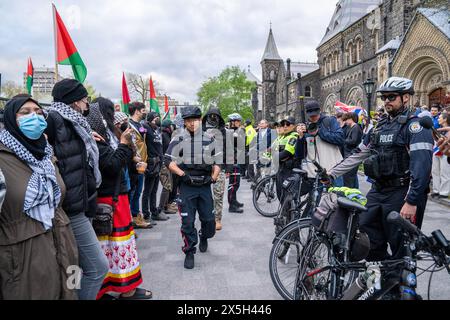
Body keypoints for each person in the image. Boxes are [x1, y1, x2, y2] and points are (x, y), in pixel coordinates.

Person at [328, 77, 433, 263]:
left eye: (391, 97)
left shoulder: (416, 126)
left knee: (402, 246)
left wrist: (411, 201)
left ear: (406, 97)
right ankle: (384, 281)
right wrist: (332, 173)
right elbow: (359, 153)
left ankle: (402, 289)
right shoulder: (380, 126)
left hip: (401, 193)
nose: (386, 101)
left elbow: (422, 168)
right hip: (378, 190)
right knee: (368, 235)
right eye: (384, 97)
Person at [0, 95, 78, 299]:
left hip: (64, 247)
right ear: (10, 119)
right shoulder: (2, 159)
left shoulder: (46, 154)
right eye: (25, 113)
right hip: (24, 261)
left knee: (72, 289)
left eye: (38, 112)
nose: (34, 117)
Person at [46, 79, 109, 300]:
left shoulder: (76, 124)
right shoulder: (53, 120)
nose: (87, 104)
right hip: (69, 209)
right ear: (74, 102)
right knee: (98, 267)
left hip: (82, 204)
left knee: (76, 266)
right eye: (85, 99)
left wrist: (85, 138)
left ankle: (75, 295)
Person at [86, 100, 152, 300]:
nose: (114, 117)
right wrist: (123, 144)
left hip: (116, 194)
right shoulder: (95, 138)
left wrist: (131, 156)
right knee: (113, 246)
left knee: (116, 246)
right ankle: (118, 289)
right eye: (110, 112)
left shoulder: (106, 136)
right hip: (109, 197)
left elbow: (119, 160)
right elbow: (112, 165)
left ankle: (123, 287)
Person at [164, 106, 221, 269]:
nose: (192, 123)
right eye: (188, 121)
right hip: (187, 186)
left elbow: (218, 162)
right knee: (187, 222)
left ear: (200, 120)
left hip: (204, 186)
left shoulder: (209, 139)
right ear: (185, 122)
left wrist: (213, 178)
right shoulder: (178, 139)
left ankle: (204, 235)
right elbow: (168, 161)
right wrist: (183, 175)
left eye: (195, 120)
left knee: (209, 223)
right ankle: (189, 251)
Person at [296, 100, 344, 200]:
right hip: (314, 172)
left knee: (338, 199)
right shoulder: (306, 127)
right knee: (314, 203)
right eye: (311, 115)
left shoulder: (329, 121)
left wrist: (320, 132)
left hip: (334, 169)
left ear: (320, 111)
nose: (313, 118)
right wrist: (300, 138)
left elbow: (340, 139)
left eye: (315, 115)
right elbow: (300, 154)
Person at [127, 102, 152, 228]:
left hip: (142, 164)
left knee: (138, 192)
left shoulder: (142, 125)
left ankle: (136, 217)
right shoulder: (127, 125)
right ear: (137, 111)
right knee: (131, 192)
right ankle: (129, 219)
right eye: (143, 110)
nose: (145, 112)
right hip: (133, 165)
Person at [202, 107, 227, 231]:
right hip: (204, 168)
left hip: (220, 167)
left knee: (219, 195)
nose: (213, 118)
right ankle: (208, 218)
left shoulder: (223, 132)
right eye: (210, 115)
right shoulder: (200, 131)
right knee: (205, 196)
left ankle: (217, 219)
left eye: (215, 116)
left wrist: (228, 168)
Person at [142, 112, 168, 222]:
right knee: (147, 190)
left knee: (154, 190)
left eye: (159, 118)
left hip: (158, 163)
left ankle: (154, 212)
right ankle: (145, 214)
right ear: (151, 119)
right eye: (156, 118)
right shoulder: (145, 128)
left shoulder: (156, 130)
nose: (158, 120)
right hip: (151, 164)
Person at [274, 116, 299, 202]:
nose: (285, 126)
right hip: (281, 167)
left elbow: (287, 152)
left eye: (288, 124)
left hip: (289, 169)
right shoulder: (283, 136)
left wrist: (273, 157)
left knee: (286, 193)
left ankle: (287, 214)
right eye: (283, 124)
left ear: (293, 126)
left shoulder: (293, 137)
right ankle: (283, 213)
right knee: (279, 192)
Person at [226, 113, 245, 213]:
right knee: (233, 184)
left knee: (236, 183)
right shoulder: (231, 132)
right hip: (233, 160)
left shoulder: (236, 131)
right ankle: (231, 206)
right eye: (237, 121)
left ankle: (234, 201)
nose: (239, 123)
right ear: (232, 122)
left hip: (237, 159)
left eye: (239, 121)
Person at [158, 119, 177, 215]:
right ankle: (161, 208)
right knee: (167, 186)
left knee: (169, 186)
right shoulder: (164, 135)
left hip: (167, 163)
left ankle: (166, 206)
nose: (173, 127)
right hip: (164, 164)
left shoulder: (166, 135)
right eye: (172, 125)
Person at [431, 111, 450, 199]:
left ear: (445, 119)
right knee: (435, 171)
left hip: (446, 152)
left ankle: (444, 192)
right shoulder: (439, 128)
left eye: (440, 118)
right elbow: (436, 140)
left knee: (444, 171)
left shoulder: (448, 130)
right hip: (437, 151)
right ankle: (436, 190)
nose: (438, 119)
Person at [342, 112, 363, 188]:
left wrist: (344, 141)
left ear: (351, 119)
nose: (345, 122)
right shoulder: (352, 127)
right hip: (350, 154)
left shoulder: (356, 127)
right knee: (350, 177)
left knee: (349, 177)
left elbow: (354, 141)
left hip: (352, 154)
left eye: (346, 120)